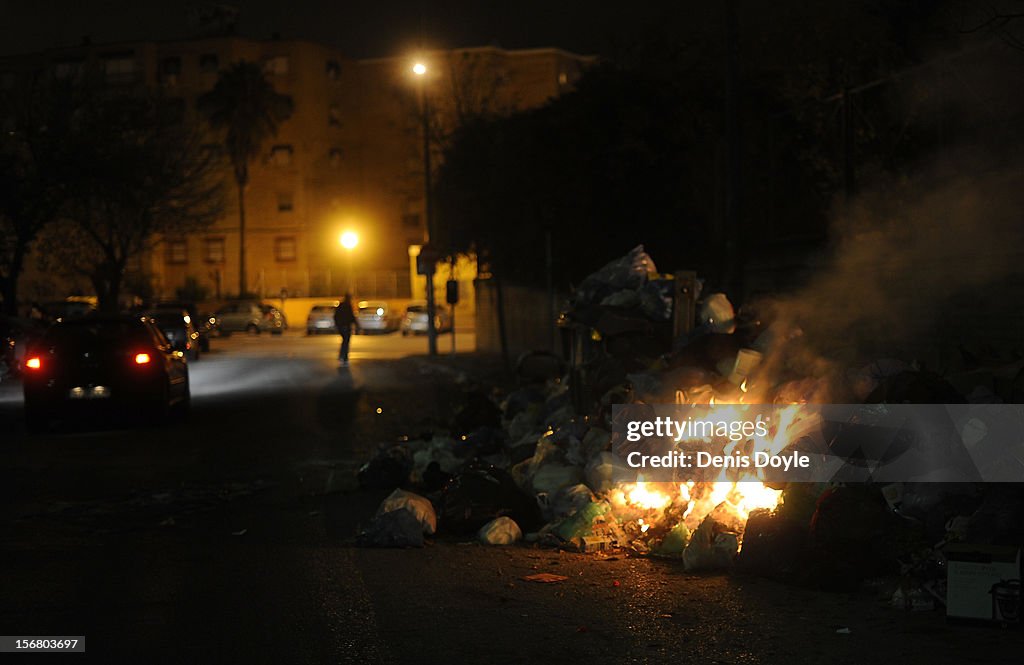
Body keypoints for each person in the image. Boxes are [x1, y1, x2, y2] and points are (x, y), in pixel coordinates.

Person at [333, 294, 357, 366]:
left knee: (344, 341)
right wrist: (356, 324)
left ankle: (341, 356)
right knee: (346, 342)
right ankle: (344, 357)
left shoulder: (340, 305)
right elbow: (351, 317)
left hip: (341, 327)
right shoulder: (348, 306)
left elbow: (335, 316)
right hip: (346, 326)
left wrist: (337, 325)